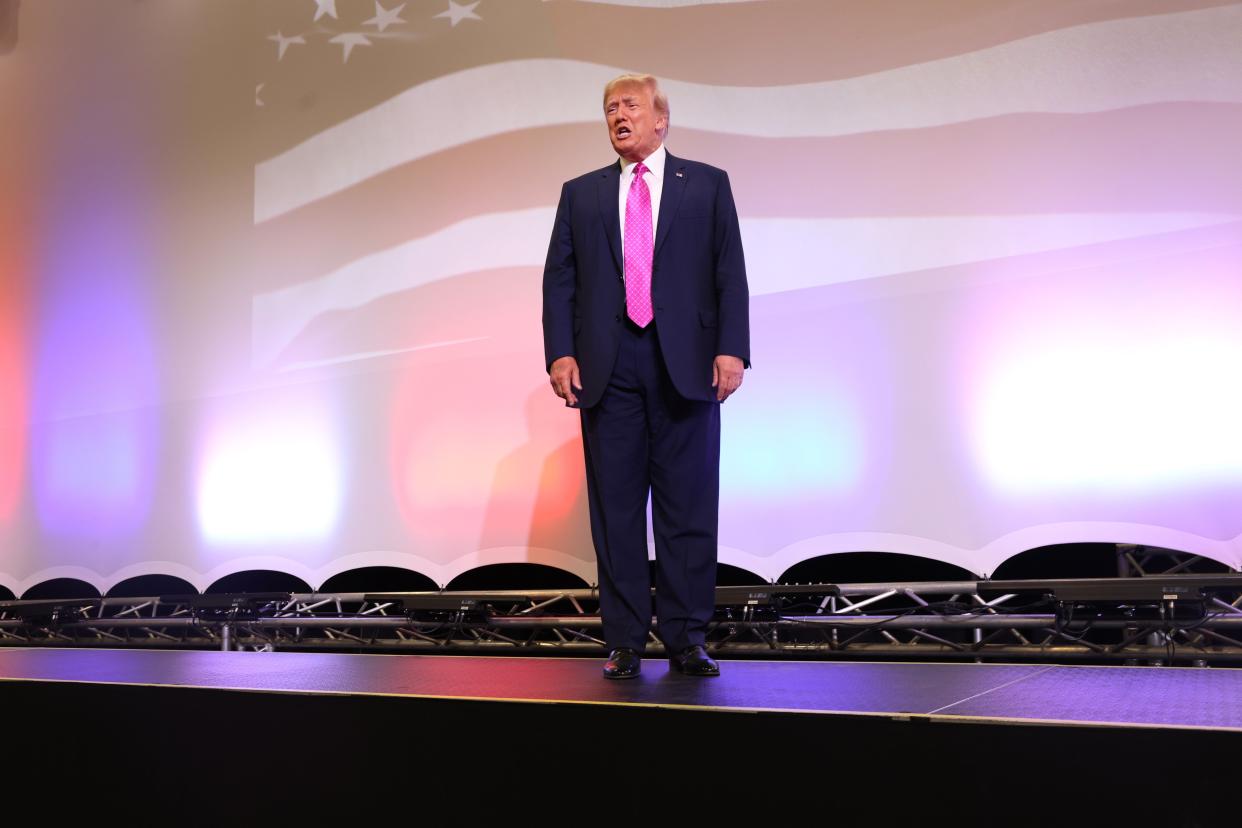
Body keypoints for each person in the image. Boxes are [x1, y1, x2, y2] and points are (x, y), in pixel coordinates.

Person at [542, 73, 750, 679]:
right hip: (609, 368)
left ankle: (686, 638)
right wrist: (561, 352)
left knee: (688, 507)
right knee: (617, 509)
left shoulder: (707, 184)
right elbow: (561, 280)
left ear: (661, 119)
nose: (618, 116)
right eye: (609, 109)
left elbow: (728, 270)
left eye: (630, 106)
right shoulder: (580, 194)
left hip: (684, 364)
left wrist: (731, 348)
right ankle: (626, 639)